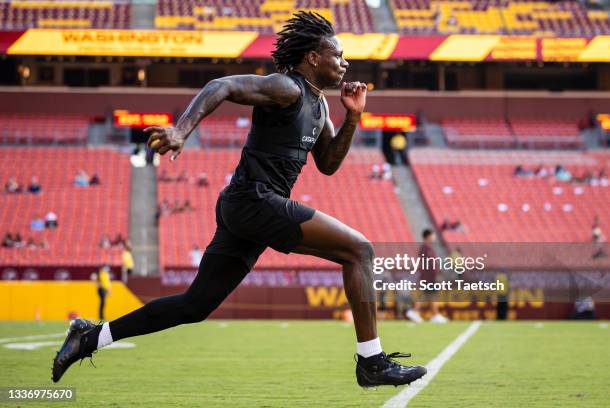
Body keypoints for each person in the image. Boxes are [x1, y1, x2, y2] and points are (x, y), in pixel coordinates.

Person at [52, 11, 426, 388]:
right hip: (254, 200)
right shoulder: (287, 88)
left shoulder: (321, 107)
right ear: (314, 57)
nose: (345, 62)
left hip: (248, 208)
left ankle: (90, 336)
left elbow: (328, 164)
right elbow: (223, 85)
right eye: (338, 54)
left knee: (195, 305)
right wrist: (181, 130)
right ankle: (372, 362)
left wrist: (353, 117)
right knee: (359, 250)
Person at [406, 229, 448, 323]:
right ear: (428, 236)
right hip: (428, 277)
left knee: (429, 295)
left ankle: (434, 314)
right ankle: (419, 312)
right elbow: (430, 263)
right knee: (430, 295)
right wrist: (436, 273)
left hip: (428, 276)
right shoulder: (426, 248)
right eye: (433, 235)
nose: (434, 237)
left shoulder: (426, 247)